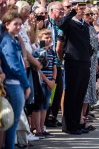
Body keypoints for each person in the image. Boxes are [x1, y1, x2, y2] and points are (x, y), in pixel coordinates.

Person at [57, 1, 92, 135]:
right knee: (71, 95)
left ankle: (77, 123)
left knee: (79, 95)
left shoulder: (85, 25)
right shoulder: (69, 23)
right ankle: (68, 126)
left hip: (84, 62)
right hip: (73, 62)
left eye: (84, 8)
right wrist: (71, 12)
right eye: (79, 8)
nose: (82, 10)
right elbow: (60, 25)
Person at [0, 10, 31, 149]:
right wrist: (26, 84)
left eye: (20, 24)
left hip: (16, 83)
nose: (19, 27)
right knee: (12, 121)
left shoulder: (12, 39)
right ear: (7, 25)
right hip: (14, 84)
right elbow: (14, 67)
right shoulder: (7, 41)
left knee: (12, 121)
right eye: (15, 24)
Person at [36, 29, 57, 137]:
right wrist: (47, 81)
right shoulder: (39, 51)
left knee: (45, 105)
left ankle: (42, 127)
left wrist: (53, 80)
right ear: (40, 39)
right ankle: (38, 128)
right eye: (45, 38)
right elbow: (38, 68)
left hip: (50, 82)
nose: (48, 40)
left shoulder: (52, 52)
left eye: (50, 38)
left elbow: (54, 67)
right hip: (42, 81)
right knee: (39, 105)